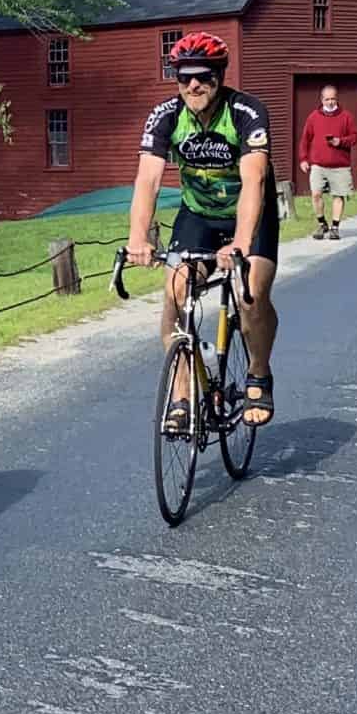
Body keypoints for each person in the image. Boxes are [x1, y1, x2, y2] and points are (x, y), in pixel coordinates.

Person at [126, 31, 279, 431]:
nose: (193, 84)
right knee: (175, 293)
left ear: (220, 76)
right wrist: (138, 238)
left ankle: (259, 374)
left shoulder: (246, 113)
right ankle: (182, 392)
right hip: (198, 214)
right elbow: (148, 181)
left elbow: (254, 181)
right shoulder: (166, 117)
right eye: (183, 76)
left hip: (250, 215)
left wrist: (242, 243)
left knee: (251, 296)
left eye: (204, 75)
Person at [298, 83, 357, 239]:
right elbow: (305, 139)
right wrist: (303, 159)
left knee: (338, 196)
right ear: (322, 99)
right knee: (316, 194)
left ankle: (335, 227)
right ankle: (321, 224)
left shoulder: (346, 116)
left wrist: (341, 141)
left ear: (337, 99)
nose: (330, 102)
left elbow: (355, 137)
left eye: (333, 99)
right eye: (327, 99)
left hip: (340, 165)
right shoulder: (313, 117)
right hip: (318, 164)